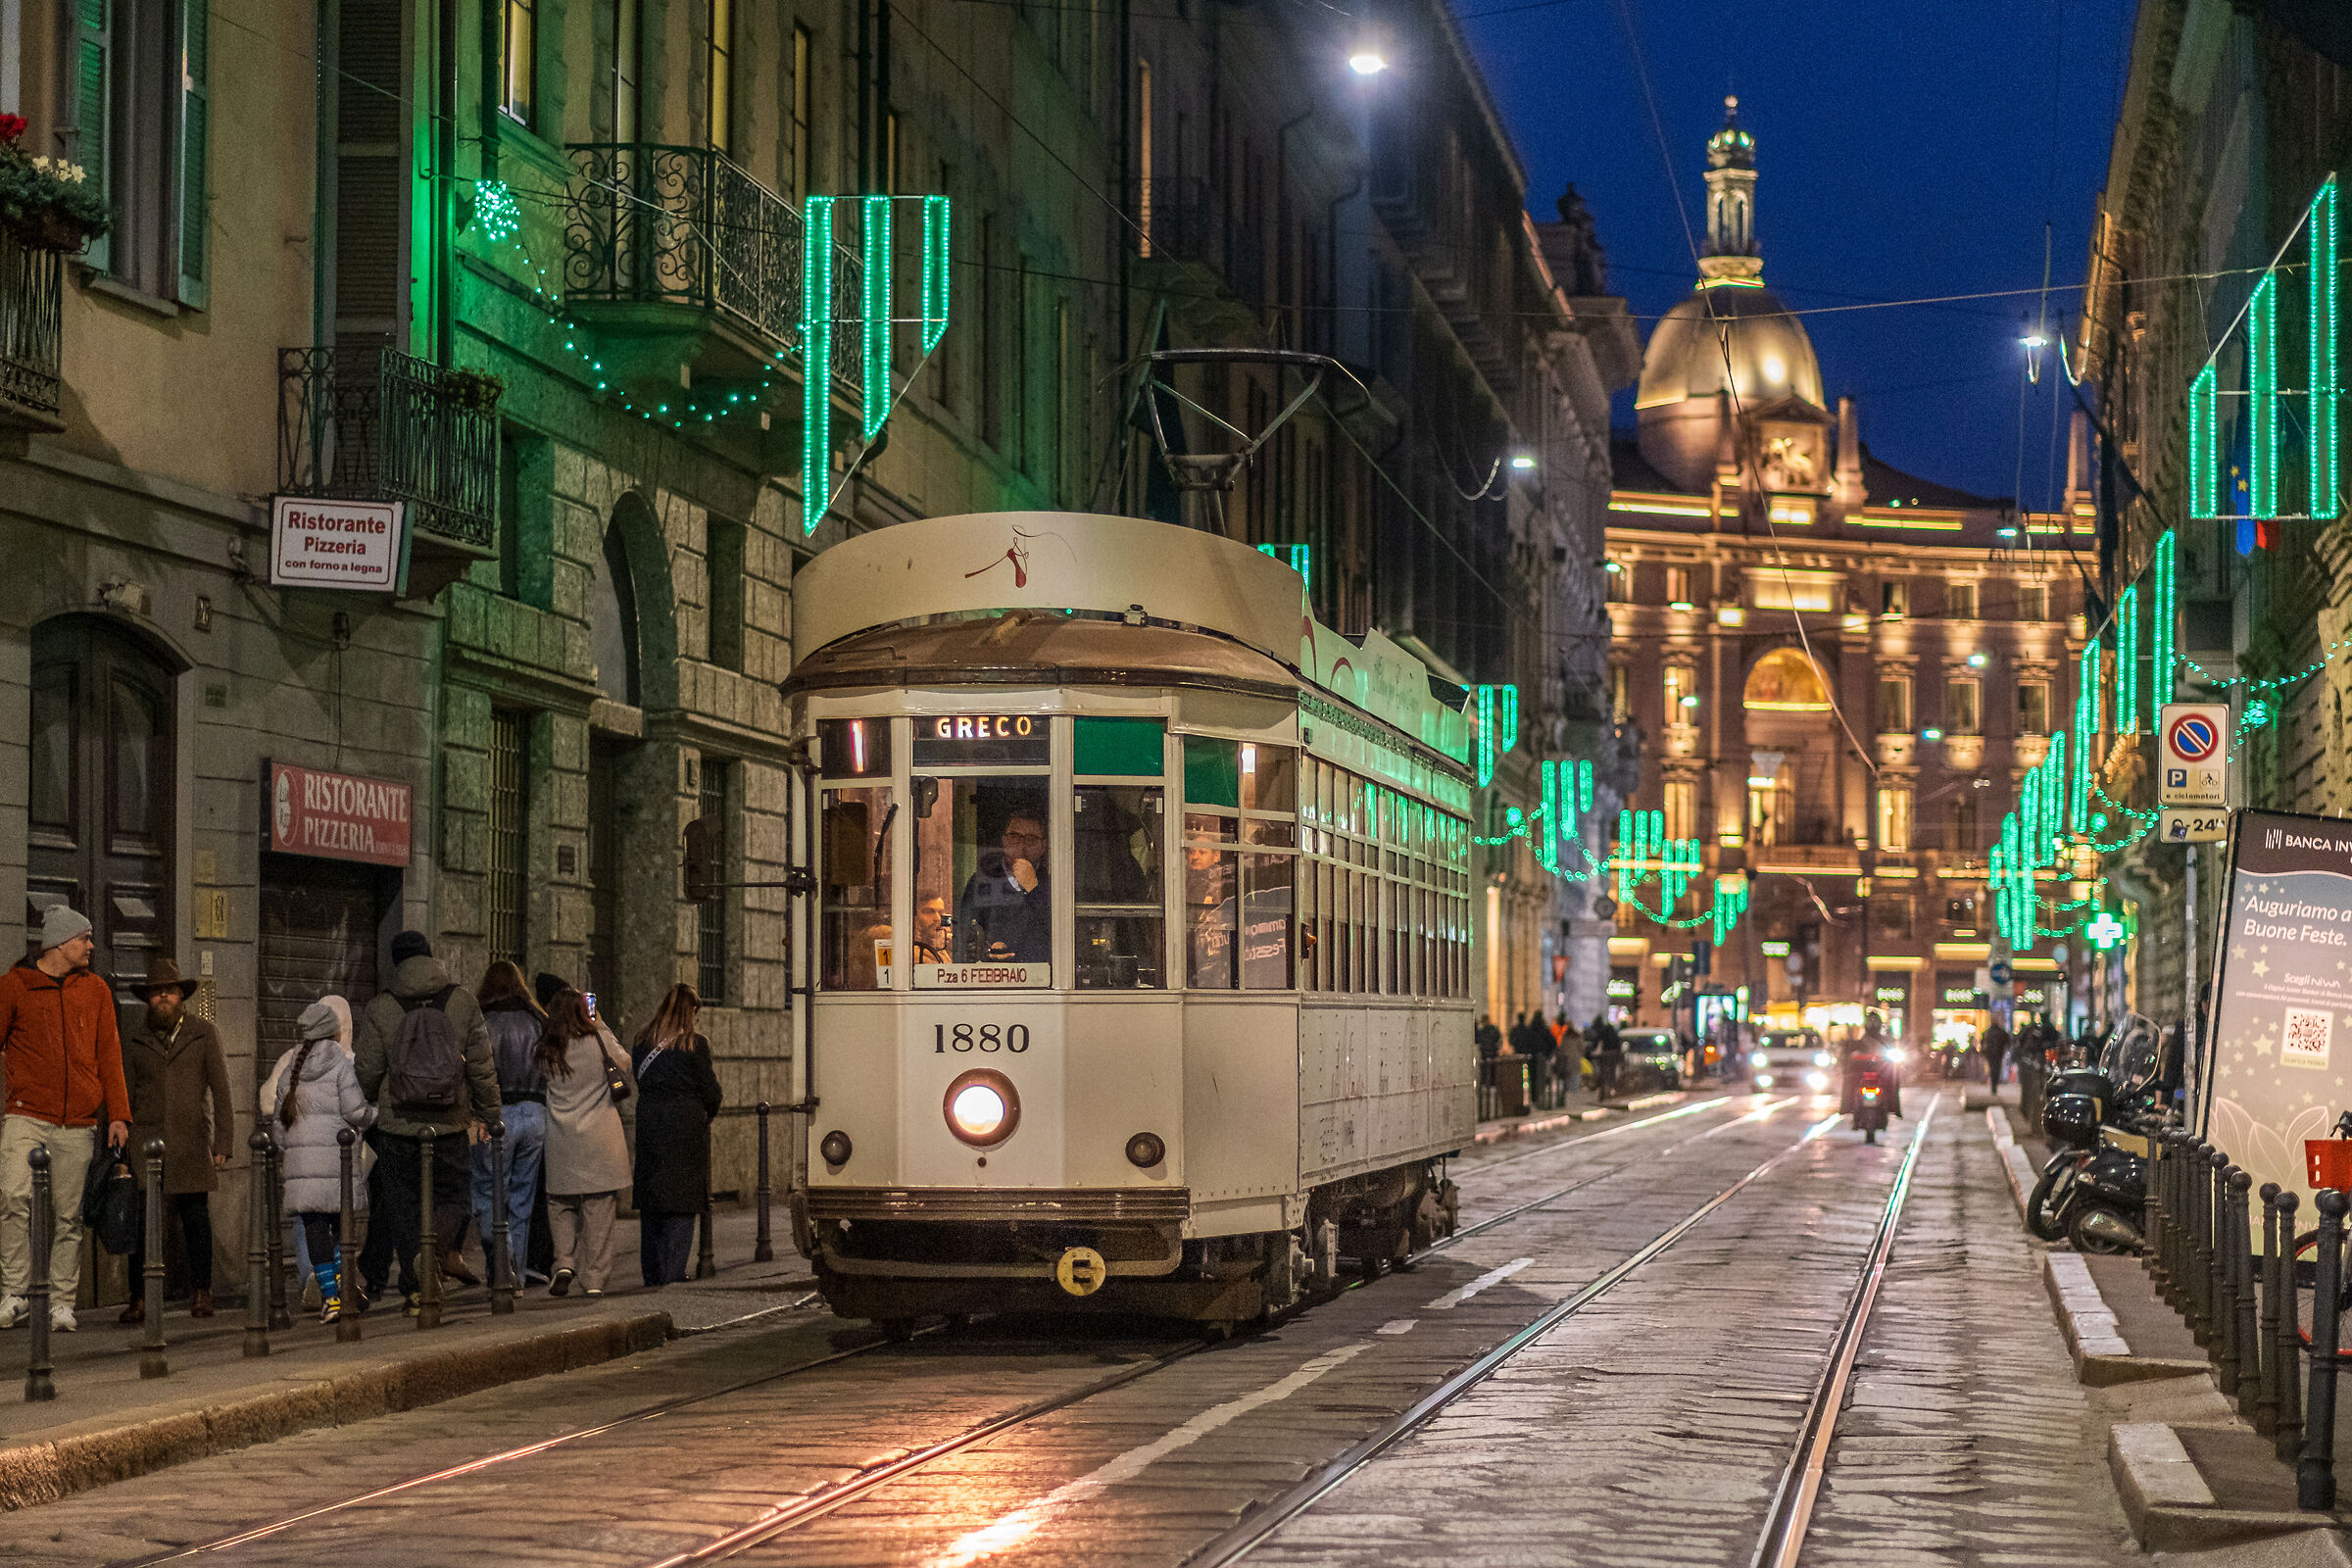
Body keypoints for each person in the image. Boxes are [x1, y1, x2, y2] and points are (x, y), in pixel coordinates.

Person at [354, 931, 499, 1314]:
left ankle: (416, 1288)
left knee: (403, 1206)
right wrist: (490, 1115)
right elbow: (483, 1067)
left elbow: (367, 1072)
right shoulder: (463, 1001)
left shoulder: (380, 1007)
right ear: (431, 957)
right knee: (455, 1196)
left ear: (395, 963)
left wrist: (375, 1096)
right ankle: (432, 1256)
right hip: (450, 1123)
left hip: (398, 1125)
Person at [0, 906, 129, 1332]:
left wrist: (119, 1115)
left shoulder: (96, 991)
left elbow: (110, 1053)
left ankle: (60, 1301)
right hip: (26, 1116)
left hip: (78, 1122)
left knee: (68, 1216)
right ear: (58, 943)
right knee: (14, 1198)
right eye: (84, 938)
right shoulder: (15, 986)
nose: (91, 946)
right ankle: (15, 1292)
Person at [119, 958, 234, 1325]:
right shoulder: (136, 1039)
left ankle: (202, 1291)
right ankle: (138, 1297)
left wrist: (223, 1142)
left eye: (169, 991)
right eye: (156, 992)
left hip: (189, 1139)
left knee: (196, 1220)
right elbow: (124, 1092)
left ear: (181, 996)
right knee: (141, 1224)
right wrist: (120, 1147)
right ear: (148, 999)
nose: (163, 997)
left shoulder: (203, 1033)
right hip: (145, 1142)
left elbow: (221, 1090)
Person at [268, 999, 376, 1321]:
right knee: (343, 1233)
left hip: (302, 1171)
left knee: (314, 1232)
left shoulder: (290, 1071)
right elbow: (356, 1112)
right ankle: (346, 1291)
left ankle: (331, 1297)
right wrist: (376, 1114)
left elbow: (278, 1128)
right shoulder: (342, 1065)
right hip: (337, 1166)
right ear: (334, 1032)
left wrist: (293, 1150)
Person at [537, 987, 634, 1297]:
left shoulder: (547, 1050)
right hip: (599, 1140)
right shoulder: (598, 1040)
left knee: (560, 1203)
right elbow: (625, 1063)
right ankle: (593, 1278)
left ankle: (564, 1261)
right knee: (598, 1209)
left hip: (562, 1139)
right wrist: (600, 1024)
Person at [632, 984, 724, 1288]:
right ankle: (673, 1272)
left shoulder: (642, 1041)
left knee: (653, 1199)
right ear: (690, 1012)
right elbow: (711, 1091)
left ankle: (652, 1273)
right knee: (682, 1201)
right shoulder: (694, 1045)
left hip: (649, 1121)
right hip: (684, 1125)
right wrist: (703, 1115)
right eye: (695, 1013)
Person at [472, 961, 548, 1286]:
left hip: (496, 1114)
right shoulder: (538, 1020)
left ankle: (502, 1260)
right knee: (522, 1197)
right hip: (534, 1112)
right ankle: (514, 1275)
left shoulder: (481, 1022)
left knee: (488, 1192)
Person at [956, 809, 1052, 962]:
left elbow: (1059, 935)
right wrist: (987, 951)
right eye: (1015, 838)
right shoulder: (981, 882)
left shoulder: (1055, 885)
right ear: (1004, 841)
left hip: (1040, 979)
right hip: (994, 978)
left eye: (1031, 840)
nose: (1022, 846)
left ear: (1043, 846)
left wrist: (1034, 889)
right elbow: (963, 936)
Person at [1590, 1014, 1626, 1102]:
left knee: (1604, 1074)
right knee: (1611, 1073)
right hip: (1614, 1054)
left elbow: (1596, 1042)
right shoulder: (1613, 1032)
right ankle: (1609, 1091)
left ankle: (1605, 1093)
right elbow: (1618, 1044)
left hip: (1605, 1054)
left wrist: (1592, 1052)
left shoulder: (1602, 1031)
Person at [1982, 1017, 2013, 1090]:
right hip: (1999, 1053)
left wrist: (1983, 1052)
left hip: (1990, 1054)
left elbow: (1983, 1042)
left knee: (1992, 1068)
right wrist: (2006, 1048)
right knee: (1997, 1068)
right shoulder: (2001, 1031)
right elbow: (2008, 1041)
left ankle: (1993, 1084)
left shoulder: (1988, 1032)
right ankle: (1995, 1084)